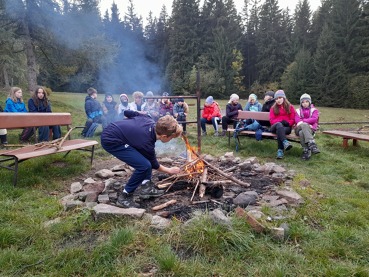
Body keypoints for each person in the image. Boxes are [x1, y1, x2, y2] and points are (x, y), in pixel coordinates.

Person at [101, 111, 182, 208]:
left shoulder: (147, 118)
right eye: (171, 138)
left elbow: (127, 112)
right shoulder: (146, 143)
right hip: (111, 140)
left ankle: (146, 187)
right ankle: (125, 196)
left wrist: (130, 129)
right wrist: (169, 170)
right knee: (144, 166)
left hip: (117, 132)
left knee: (145, 160)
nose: (171, 140)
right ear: (164, 136)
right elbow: (154, 164)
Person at [269, 90, 296, 159]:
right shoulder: (273, 108)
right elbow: (272, 120)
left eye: (280, 98)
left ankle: (280, 150)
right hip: (274, 126)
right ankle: (285, 142)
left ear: (284, 98)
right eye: (277, 99)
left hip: (286, 127)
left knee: (280, 131)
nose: (278, 100)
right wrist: (281, 121)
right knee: (278, 125)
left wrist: (288, 123)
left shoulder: (290, 107)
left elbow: (293, 119)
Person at [295, 93, 320, 160]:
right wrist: (307, 124)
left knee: (301, 133)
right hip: (298, 128)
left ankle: (306, 151)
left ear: (309, 102)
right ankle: (312, 143)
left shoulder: (314, 110)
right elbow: (297, 120)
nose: (305, 103)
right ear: (301, 103)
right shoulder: (297, 110)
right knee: (303, 126)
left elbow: (314, 119)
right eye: (302, 102)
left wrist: (303, 121)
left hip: (310, 130)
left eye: (306, 101)